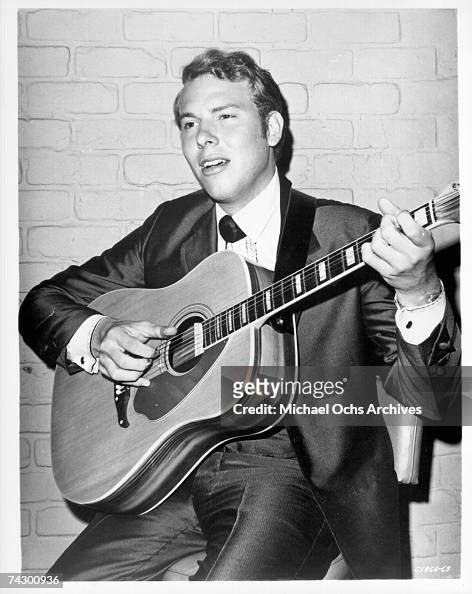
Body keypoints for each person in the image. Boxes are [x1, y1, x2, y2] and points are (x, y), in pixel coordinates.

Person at [19, 49, 460, 581]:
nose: (203, 137)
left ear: (271, 128)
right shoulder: (170, 227)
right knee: (49, 584)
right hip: (173, 473)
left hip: (296, 478)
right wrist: (99, 333)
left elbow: (434, 399)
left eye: (225, 116)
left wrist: (419, 290)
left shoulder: (351, 235)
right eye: (189, 123)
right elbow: (43, 301)